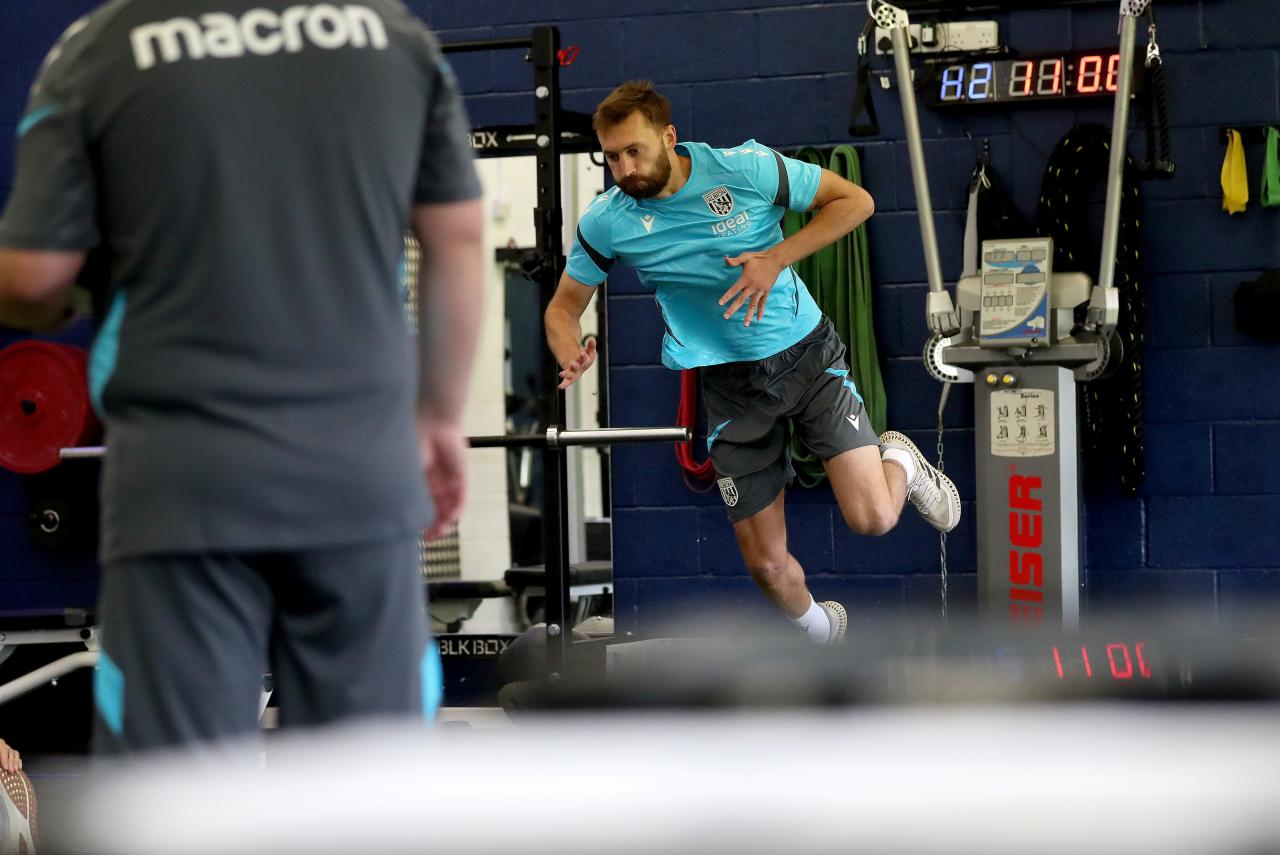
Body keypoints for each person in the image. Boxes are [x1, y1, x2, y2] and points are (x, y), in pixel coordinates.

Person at [0, 1, 484, 751]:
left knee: (176, 798)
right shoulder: (392, 38)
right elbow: (458, 238)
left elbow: (33, 279)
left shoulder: (99, 47)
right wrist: (440, 417)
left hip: (183, 481)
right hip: (358, 474)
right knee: (372, 791)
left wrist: (82, 291)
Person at [546, 81, 960, 645]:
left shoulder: (745, 169)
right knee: (765, 566)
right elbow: (563, 308)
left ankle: (902, 461)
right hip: (730, 386)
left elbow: (855, 202)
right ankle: (823, 632)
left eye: (634, 151)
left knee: (874, 519)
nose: (624, 169)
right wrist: (569, 350)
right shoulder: (608, 220)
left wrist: (776, 258)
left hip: (806, 357)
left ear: (668, 137)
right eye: (611, 157)